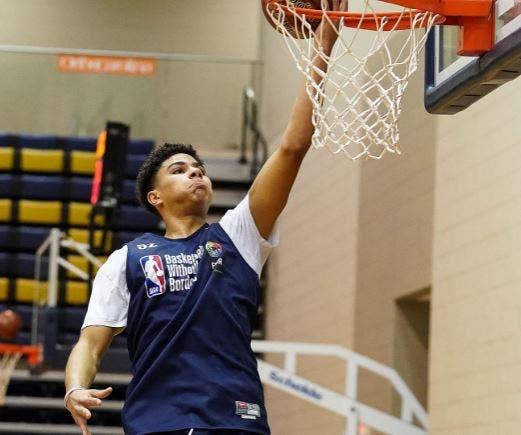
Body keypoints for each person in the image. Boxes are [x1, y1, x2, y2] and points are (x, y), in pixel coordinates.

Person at [64, 2, 348, 434]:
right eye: (178, 170)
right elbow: (91, 341)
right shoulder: (129, 259)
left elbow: (293, 146)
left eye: (198, 168)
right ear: (155, 197)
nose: (195, 171)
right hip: (158, 423)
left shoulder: (240, 235)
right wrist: (74, 388)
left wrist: (324, 42)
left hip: (235, 420)